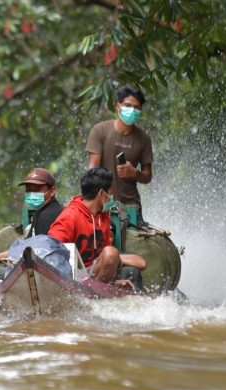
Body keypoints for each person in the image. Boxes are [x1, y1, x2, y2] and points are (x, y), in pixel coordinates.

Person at [48, 167, 135, 289]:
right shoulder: (69, 217)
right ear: (101, 194)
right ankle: (91, 293)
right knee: (111, 253)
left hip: (93, 275)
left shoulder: (103, 218)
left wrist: (113, 283)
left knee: (114, 256)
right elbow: (52, 251)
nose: (111, 198)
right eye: (110, 194)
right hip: (71, 276)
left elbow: (103, 259)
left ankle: (97, 291)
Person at [0, 167, 62, 288]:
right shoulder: (42, 213)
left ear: (52, 191)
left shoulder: (47, 217)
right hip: (43, 271)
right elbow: (27, 247)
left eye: (37, 189)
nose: (32, 194)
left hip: (45, 276)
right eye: (29, 190)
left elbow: (41, 253)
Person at [85, 85, 153, 223]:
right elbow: (93, 168)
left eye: (136, 108)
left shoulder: (144, 139)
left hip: (130, 207)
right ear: (118, 106)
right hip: (102, 204)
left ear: (140, 111)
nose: (132, 110)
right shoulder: (100, 131)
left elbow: (147, 176)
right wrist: (98, 195)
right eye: (128, 105)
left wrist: (135, 173)